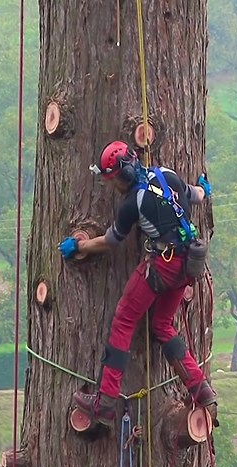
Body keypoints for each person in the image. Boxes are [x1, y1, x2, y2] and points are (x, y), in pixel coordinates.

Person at [58, 140, 216, 427]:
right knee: (162, 325)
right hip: (189, 263)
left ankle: (105, 401)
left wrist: (80, 247)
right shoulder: (167, 175)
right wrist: (205, 187)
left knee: (124, 320)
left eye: (112, 180)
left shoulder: (132, 204)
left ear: (122, 175)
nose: (113, 186)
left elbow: (110, 241)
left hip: (164, 266)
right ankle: (201, 388)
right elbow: (196, 195)